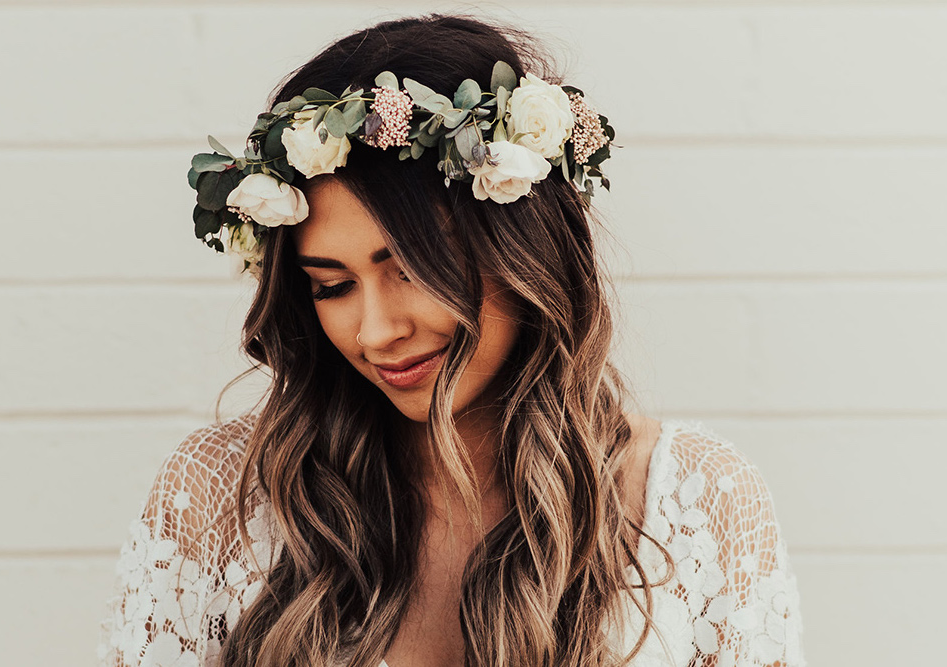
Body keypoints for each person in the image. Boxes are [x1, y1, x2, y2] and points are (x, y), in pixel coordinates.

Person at [98, 13, 805, 667]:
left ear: (521, 251)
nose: (376, 331)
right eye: (332, 285)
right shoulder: (221, 500)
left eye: (409, 269)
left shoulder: (696, 502)